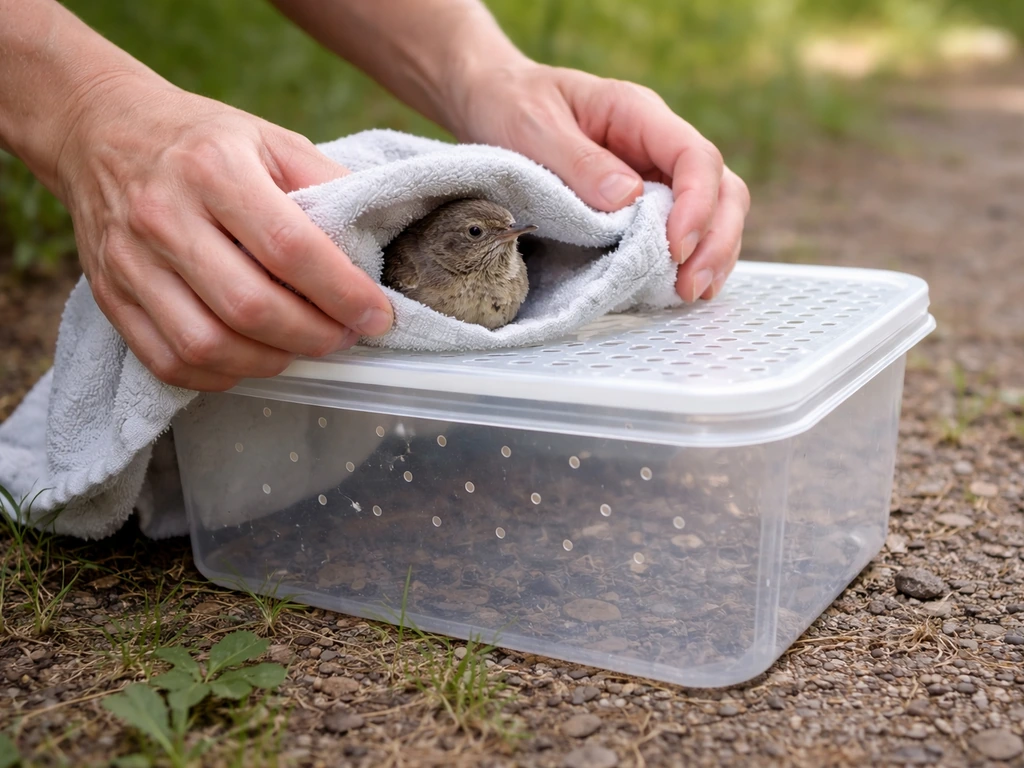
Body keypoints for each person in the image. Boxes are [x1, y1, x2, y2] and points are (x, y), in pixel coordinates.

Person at [0, 0, 749, 392]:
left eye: (506, 230)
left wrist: (484, 73)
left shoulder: (514, 268)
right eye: (481, 234)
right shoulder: (419, 270)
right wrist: (85, 107)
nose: (511, 236)